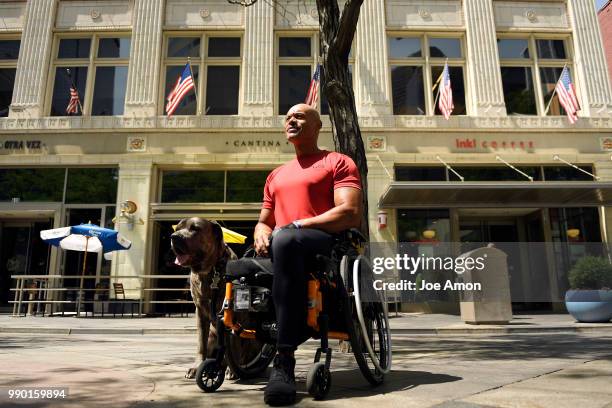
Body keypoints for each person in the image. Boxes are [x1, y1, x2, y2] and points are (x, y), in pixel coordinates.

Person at [254, 103, 362, 405]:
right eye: (288, 116)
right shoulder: (276, 175)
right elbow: (264, 221)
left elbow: (349, 212)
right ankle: (227, 352)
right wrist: (261, 231)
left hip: (324, 241)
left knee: (286, 239)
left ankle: (284, 361)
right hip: (283, 243)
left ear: (318, 127)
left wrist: (296, 224)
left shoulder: (337, 162)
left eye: (300, 116)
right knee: (240, 266)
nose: (291, 119)